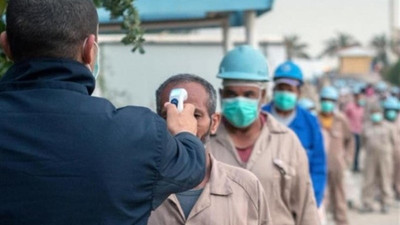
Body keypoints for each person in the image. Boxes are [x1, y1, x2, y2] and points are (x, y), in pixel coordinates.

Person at [0, 1, 206, 224]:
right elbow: (192, 167)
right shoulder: (139, 133)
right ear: (90, 49)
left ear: (6, 45)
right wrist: (185, 132)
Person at [210, 45, 320, 225]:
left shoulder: (287, 141)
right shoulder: (206, 142)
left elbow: (305, 207)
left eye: (248, 94)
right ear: (221, 94)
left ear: (263, 96)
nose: (239, 101)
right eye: (232, 94)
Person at [148, 74, 271, 225]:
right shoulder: (137, 187)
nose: (180, 124)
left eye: (195, 115)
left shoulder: (246, 187)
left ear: (214, 123)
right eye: (169, 115)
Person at [262, 61, 326, 208]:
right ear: (274, 90)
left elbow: (318, 166)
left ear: (298, 92)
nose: (284, 93)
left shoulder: (310, 123)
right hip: (263, 201)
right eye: (281, 88)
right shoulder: (260, 117)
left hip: (299, 201)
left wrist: (312, 202)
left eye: (289, 89)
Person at [317, 86, 354, 225]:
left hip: (337, 165)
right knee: (321, 197)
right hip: (319, 166)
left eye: (330, 100)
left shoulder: (341, 120)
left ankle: (341, 221)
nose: (327, 103)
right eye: (325, 100)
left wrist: (347, 158)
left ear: (335, 102)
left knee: (339, 195)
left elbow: (350, 140)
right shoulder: (314, 120)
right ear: (320, 101)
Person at [360, 102, 397, 213]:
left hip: (385, 158)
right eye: (373, 113)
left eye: (377, 113)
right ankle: (367, 203)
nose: (375, 115)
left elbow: (394, 143)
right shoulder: (366, 127)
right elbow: (363, 142)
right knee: (368, 180)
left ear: (381, 114)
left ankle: (386, 203)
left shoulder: (389, 127)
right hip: (370, 157)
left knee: (385, 180)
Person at [382, 97, 400, 200]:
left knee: (398, 174)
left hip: (398, 151)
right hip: (387, 152)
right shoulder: (383, 122)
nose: (391, 113)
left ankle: (398, 191)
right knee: (386, 173)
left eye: (393, 110)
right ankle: (385, 193)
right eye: (389, 110)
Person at [344, 86, 365, 172]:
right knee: (351, 149)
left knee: (358, 149)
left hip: (359, 131)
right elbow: (345, 118)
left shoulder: (362, 108)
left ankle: (356, 165)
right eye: (357, 96)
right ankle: (349, 164)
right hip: (351, 131)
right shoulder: (350, 107)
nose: (359, 98)